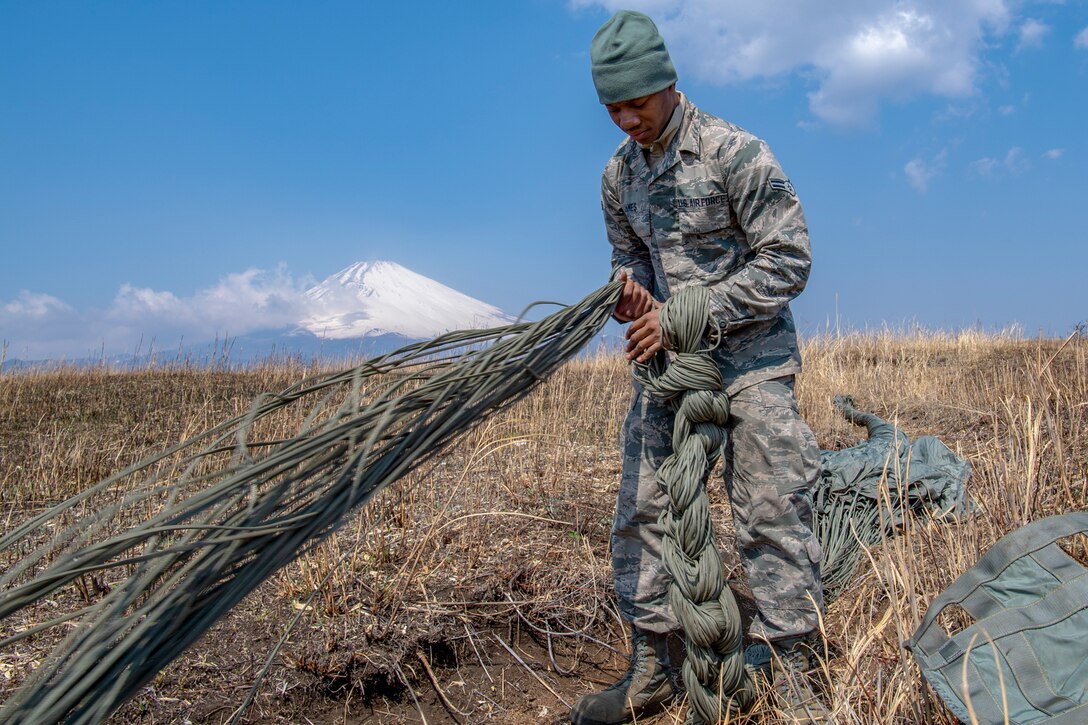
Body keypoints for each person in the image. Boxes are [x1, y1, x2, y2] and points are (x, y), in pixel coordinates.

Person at [570, 10, 827, 725]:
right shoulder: (617, 178)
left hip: (751, 359)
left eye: (637, 104)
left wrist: (695, 310)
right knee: (644, 506)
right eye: (611, 108)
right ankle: (653, 664)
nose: (626, 120)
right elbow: (634, 261)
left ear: (668, 84)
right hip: (670, 365)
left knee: (773, 505)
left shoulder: (733, 152)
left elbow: (789, 259)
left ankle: (797, 663)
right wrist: (632, 293)